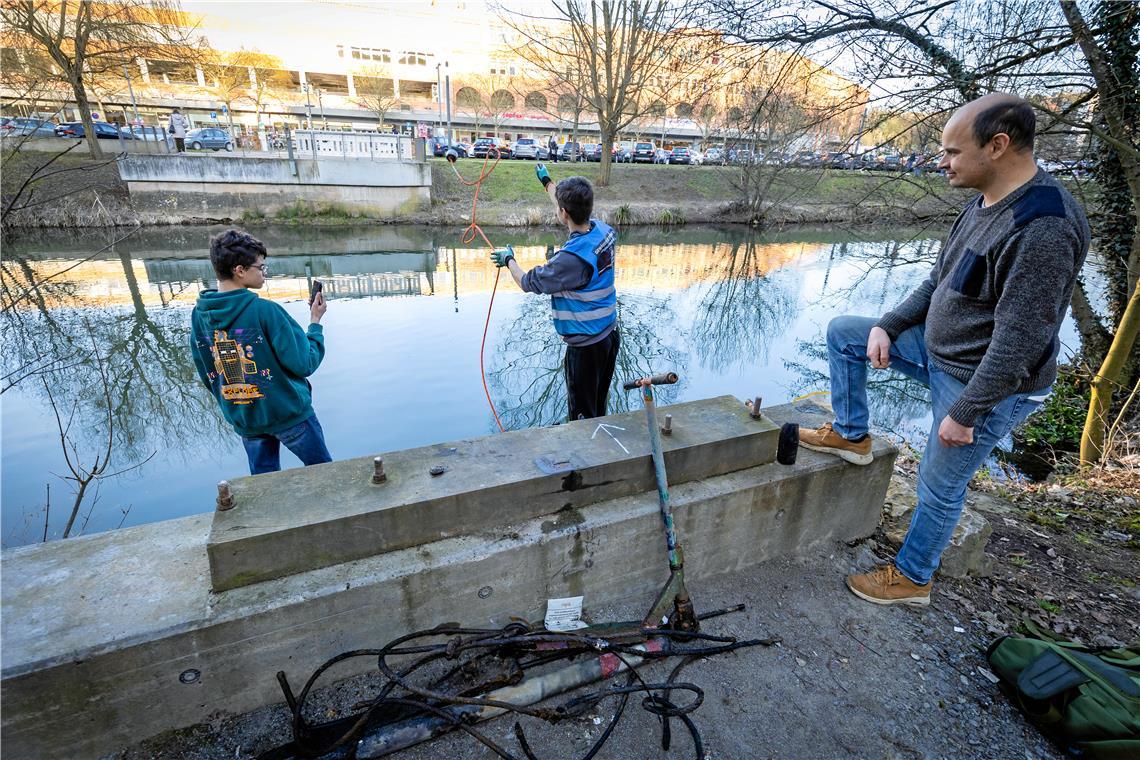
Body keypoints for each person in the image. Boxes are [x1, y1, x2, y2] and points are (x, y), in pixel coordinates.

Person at [799, 93, 1090, 607]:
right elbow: (938, 283)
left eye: (953, 152)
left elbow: (1020, 342)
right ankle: (851, 436)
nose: (942, 162)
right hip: (941, 353)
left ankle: (913, 577)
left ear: (997, 146)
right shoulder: (983, 204)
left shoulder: (1044, 227)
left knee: (939, 483)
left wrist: (965, 412)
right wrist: (888, 326)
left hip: (987, 383)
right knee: (847, 331)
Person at [190, 229, 333, 475]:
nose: (265, 273)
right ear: (240, 270)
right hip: (289, 415)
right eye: (261, 268)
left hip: (246, 417)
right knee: (326, 477)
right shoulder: (265, 311)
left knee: (264, 490)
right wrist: (315, 322)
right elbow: (304, 362)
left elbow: (206, 371)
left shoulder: (198, 315)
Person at [490, 165, 619, 421]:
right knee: (598, 407)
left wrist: (509, 261)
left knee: (583, 417)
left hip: (586, 350)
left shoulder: (569, 261)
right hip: (609, 336)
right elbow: (568, 204)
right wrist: (547, 182)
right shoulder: (603, 231)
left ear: (563, 214)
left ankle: (588, 457)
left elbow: (528, 282)